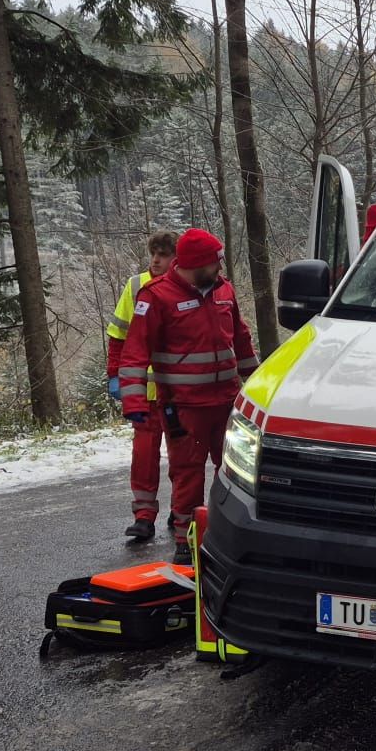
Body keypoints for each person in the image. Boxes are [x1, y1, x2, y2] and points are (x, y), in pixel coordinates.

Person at [117, 227, 257, 562]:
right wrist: (134, 401)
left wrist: (256, 384)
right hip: (184, 406)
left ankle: (236, 534)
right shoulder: (156, 297)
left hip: (227, 402)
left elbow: (240, 338)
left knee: (239, 472)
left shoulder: (224, 291)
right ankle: (186, 542)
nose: (220, 269)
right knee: (188, 474)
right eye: (215, 263)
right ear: (197, 265)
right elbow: (134, 353)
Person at [105, 230, 176, 543]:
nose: (156, 260)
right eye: (154, 254)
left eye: (163, 254)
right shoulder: (135, 286)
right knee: (144, 457)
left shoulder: (187, 287)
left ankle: (182, 511)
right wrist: (115, 376)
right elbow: (118, 336)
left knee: (182, 459)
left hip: (174, 393)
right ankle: (144, 517)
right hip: (143, 397)